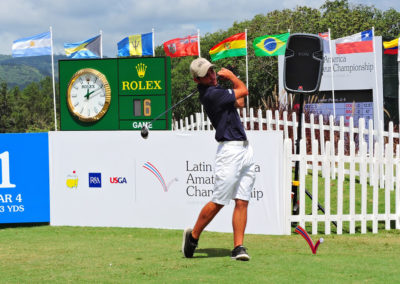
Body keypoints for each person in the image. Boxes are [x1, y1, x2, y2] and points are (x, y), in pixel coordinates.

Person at [182, 58, 256, 261]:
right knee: (219, 201)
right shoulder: (211, 94)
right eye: (206, 75)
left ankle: (238, 247)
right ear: (198, 80)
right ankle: (193, 236)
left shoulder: (217, 90)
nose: (212, 76)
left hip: (244, 148)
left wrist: (230, 83)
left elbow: (239, 101)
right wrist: (232, 77)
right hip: (229, 151)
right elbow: (244, 92)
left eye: (212, 72)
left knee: (242, 200)